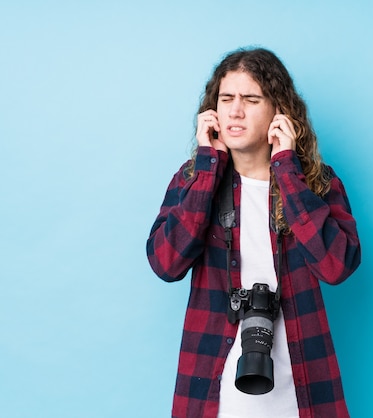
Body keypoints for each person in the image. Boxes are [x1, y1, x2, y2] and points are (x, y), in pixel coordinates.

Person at [147, 47, 361, 418]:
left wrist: (287, 170)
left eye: (250, 99)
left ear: (278, 111)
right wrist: (206, 169)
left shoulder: (316, 183)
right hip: (216, 384)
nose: (235, 111)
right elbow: (166, 263)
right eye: (226, 98)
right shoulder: (193, 179)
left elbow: (336, 267)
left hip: (301, 383)